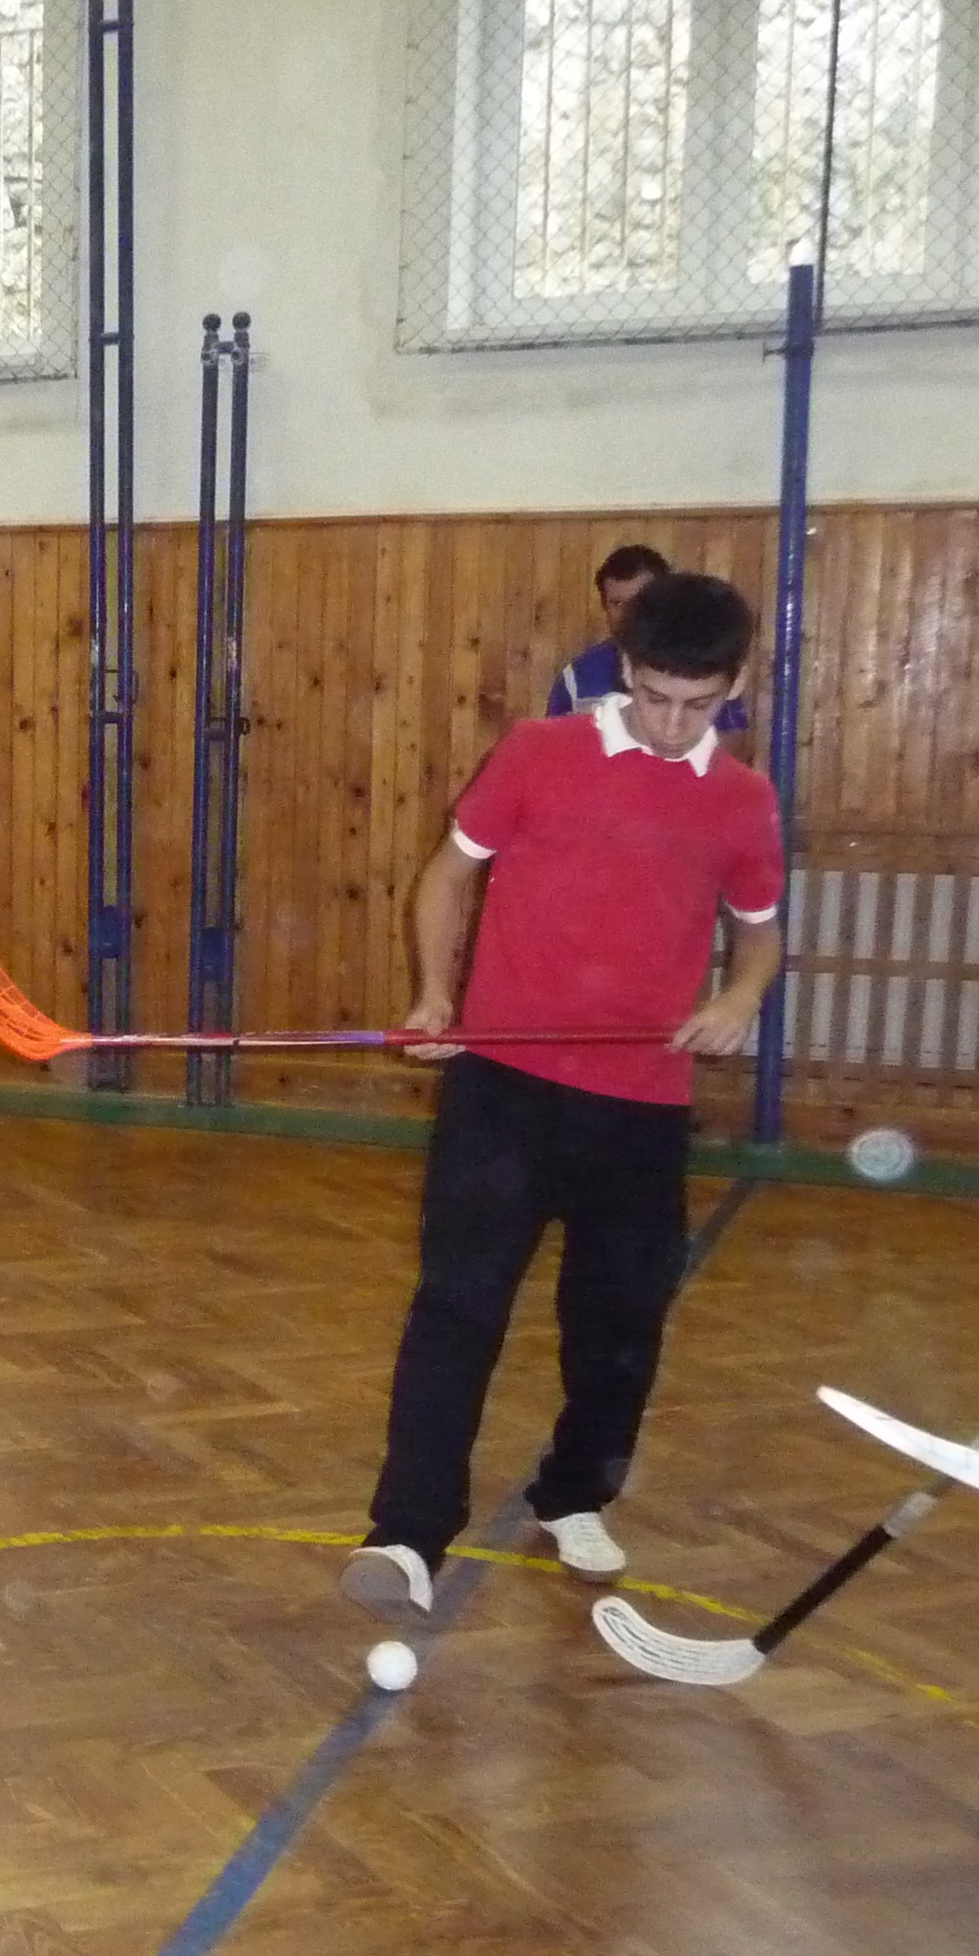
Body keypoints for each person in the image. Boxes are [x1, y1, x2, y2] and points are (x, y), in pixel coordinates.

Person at [341, 572, 783, 1621]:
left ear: (734, 686)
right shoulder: (538, 753)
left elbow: (760, 932)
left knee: (619, 1324)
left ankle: (576, 1492)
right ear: (624, 669)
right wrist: (436, 994)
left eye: (697, 705)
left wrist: (739, 996)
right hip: (503, 1088)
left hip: (641, 1103)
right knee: (457, 1308)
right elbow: (447, 876)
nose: (672, 724)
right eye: (655, 697)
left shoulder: (743, 800)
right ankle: (406, 1534)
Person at [549, 543, 748, 747]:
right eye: (617, 603)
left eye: (640, 600)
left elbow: (735, 744)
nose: (629, 612)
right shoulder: (576, 675)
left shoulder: (708, 666)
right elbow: (555, 745)